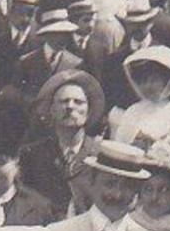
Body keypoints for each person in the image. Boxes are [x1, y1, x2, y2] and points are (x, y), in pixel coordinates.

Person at [18, 69, 107, 218]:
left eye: (78, 102)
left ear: (89, 111)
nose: (70, 107)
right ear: (51, 110)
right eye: (63, 101)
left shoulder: (101, 154)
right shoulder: (32, 154)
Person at [108, 45, 170, 150]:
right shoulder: (133, 111)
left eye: (154, 80)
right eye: (143, 81)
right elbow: (120, 145)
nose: (148, 86)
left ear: (167, 80)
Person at [13, 9, 83, 103]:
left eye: (66, 33)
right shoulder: (26, 62)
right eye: (58, 33)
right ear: (46, 35)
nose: (63, 38)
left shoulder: (76, 64)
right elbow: (17, 94)